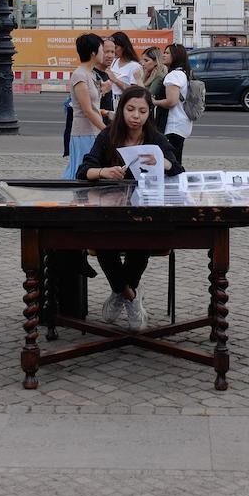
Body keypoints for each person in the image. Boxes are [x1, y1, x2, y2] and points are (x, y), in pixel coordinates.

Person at [77, 85, 184, 330]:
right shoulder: (108, 136)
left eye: (143, 111)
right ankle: (130, 295)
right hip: (110, 210)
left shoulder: (155, 138)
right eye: (131, 109)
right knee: (102, 240)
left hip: (144, 210)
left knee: (143, 238)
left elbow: (177, 168)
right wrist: (105, 172)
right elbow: (84, 171)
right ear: (122, 109)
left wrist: (163, 162)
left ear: (149, 114)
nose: (136, 116)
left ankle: (120, 292)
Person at [63, 33, 109, 180]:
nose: (104, 54)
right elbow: (87, 111)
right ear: (93, 53)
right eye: (102, 50)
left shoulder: (90, 74)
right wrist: (106, 130)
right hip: (84, 132)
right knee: (82, 170)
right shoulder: (80, 75)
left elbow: (93, 105)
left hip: (92, 131)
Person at [152, 42, 193, 164]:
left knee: (172, 161)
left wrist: (155, 102)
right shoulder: (183, 73)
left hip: (172, 125)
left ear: (176, 56)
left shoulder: (174, 75)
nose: (163, 55)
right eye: (164, 52)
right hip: (181, 123)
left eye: (167, 53)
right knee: (175, 159)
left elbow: (171, 101)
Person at [105, 31, 144, 107]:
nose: (114, 51)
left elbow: (135, 91)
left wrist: (115, 80)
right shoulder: (114, 61)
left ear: (124, 47)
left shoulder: (135, 66)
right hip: (110, 100)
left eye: (115, 48)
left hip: (124, 102)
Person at [140, 46, 169, 130]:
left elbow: (146, 95)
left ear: (156, 61)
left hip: (156, 117)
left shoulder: (159, 75)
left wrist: (139, 80)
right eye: (143, 60)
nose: (143, 63)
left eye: (146, 60)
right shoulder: (149, 73)